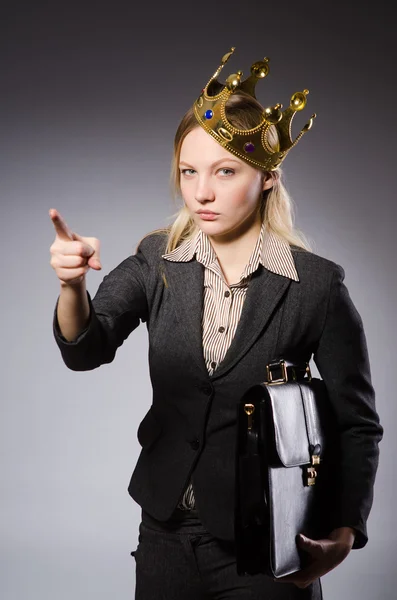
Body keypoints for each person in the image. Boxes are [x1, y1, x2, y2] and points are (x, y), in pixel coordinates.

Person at [49, 49, 383, 600]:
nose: (201, 191)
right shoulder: (155, 261)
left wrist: (345, 533)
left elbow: (357, 423)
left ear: (268, 177)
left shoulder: (317, 287)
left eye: (225, 171)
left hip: (269, 538)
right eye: (188, 171)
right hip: (164, 534)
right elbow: (86, 347)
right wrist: (70, 286)